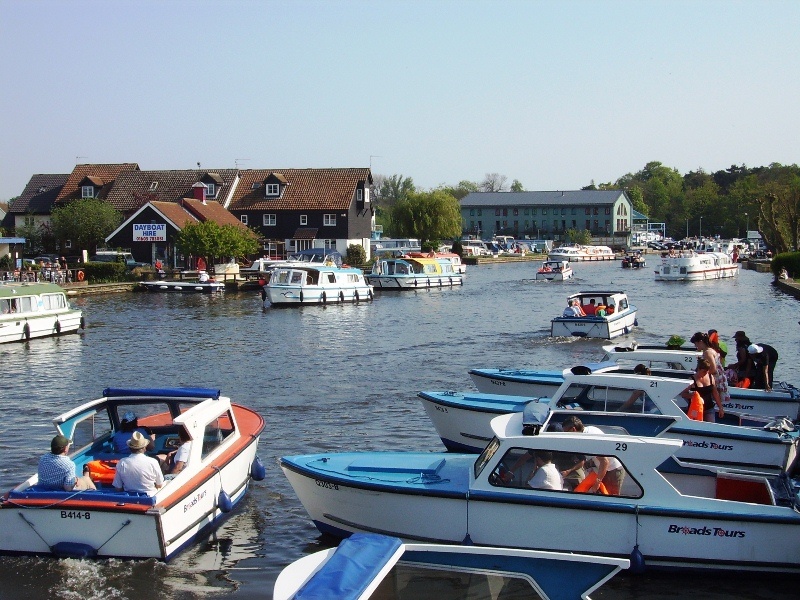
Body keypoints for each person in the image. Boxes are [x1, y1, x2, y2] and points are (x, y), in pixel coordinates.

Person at [560, 416, 625, 495]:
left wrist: (597, 482)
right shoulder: (589, 429)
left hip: (612, 470)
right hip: (604, 468)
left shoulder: (589, 440)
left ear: (573, 429)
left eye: (566, 432)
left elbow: (605, 462)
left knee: (612, 498)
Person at [690, 332, 730, 409]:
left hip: (715, 379)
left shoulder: (707, 352)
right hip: (720, 377)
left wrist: (700, 375)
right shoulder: (711, 350)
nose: (695, 346)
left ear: (700, 342)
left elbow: (713, 369)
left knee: (712, 398)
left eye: (696, 343)